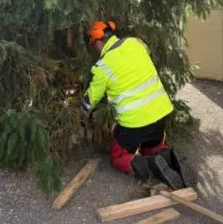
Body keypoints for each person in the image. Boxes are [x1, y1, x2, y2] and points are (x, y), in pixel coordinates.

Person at [81, 20, 195, 189]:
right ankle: (170, 156)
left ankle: (153, 168)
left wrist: (81, 110)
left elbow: (92, 99)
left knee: (118, 157)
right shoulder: (135, 43)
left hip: (134, 124)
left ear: (98, 42)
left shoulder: (103, 66)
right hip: (160, 114)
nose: (95, 49)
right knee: (152, 148)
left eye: (93, 45)